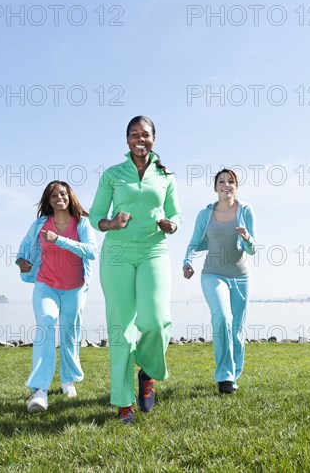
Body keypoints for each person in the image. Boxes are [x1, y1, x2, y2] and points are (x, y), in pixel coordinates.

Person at [89, 115, 182, 424]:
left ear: (154, 139)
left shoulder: (165, 175)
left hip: (154, 250)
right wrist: (112, 223)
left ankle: (149, 372)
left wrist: (172, 224)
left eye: (145, 134)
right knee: (120, 329)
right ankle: (123, 401)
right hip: (117, 253)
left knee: (157, 321)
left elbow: (176, 212)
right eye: (134, 134)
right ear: (126, 139)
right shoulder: (113, 174)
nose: (140, 139)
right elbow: (96, 217)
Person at [16, 181, 96, 412]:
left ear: (70, 197)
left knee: (70, 333)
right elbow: (23, 251)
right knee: (46, 324)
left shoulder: (82, 223)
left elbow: (91, 251)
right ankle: (40, 390)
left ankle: (67, 380)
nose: (58, 198)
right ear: (48, 201)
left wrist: (59, 240)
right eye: (53, 196)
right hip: (46, 284)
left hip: (75, 286)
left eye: (62, 194)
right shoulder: (40, 224)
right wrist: (22, 262)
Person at [183, 169, 257, 394]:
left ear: (236, 187)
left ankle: (234, 375)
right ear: (215, 187)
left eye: (231, 181)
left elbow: (252, 250)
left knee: (237, 330)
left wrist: (246, 237)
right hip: (212, 274)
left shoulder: (245, 211)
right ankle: (224, 377)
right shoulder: (205, 214)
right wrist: (187, 262)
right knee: (222, 317)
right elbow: (194, 243)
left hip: (240, 277)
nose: (226, 185)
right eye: (221, 182)